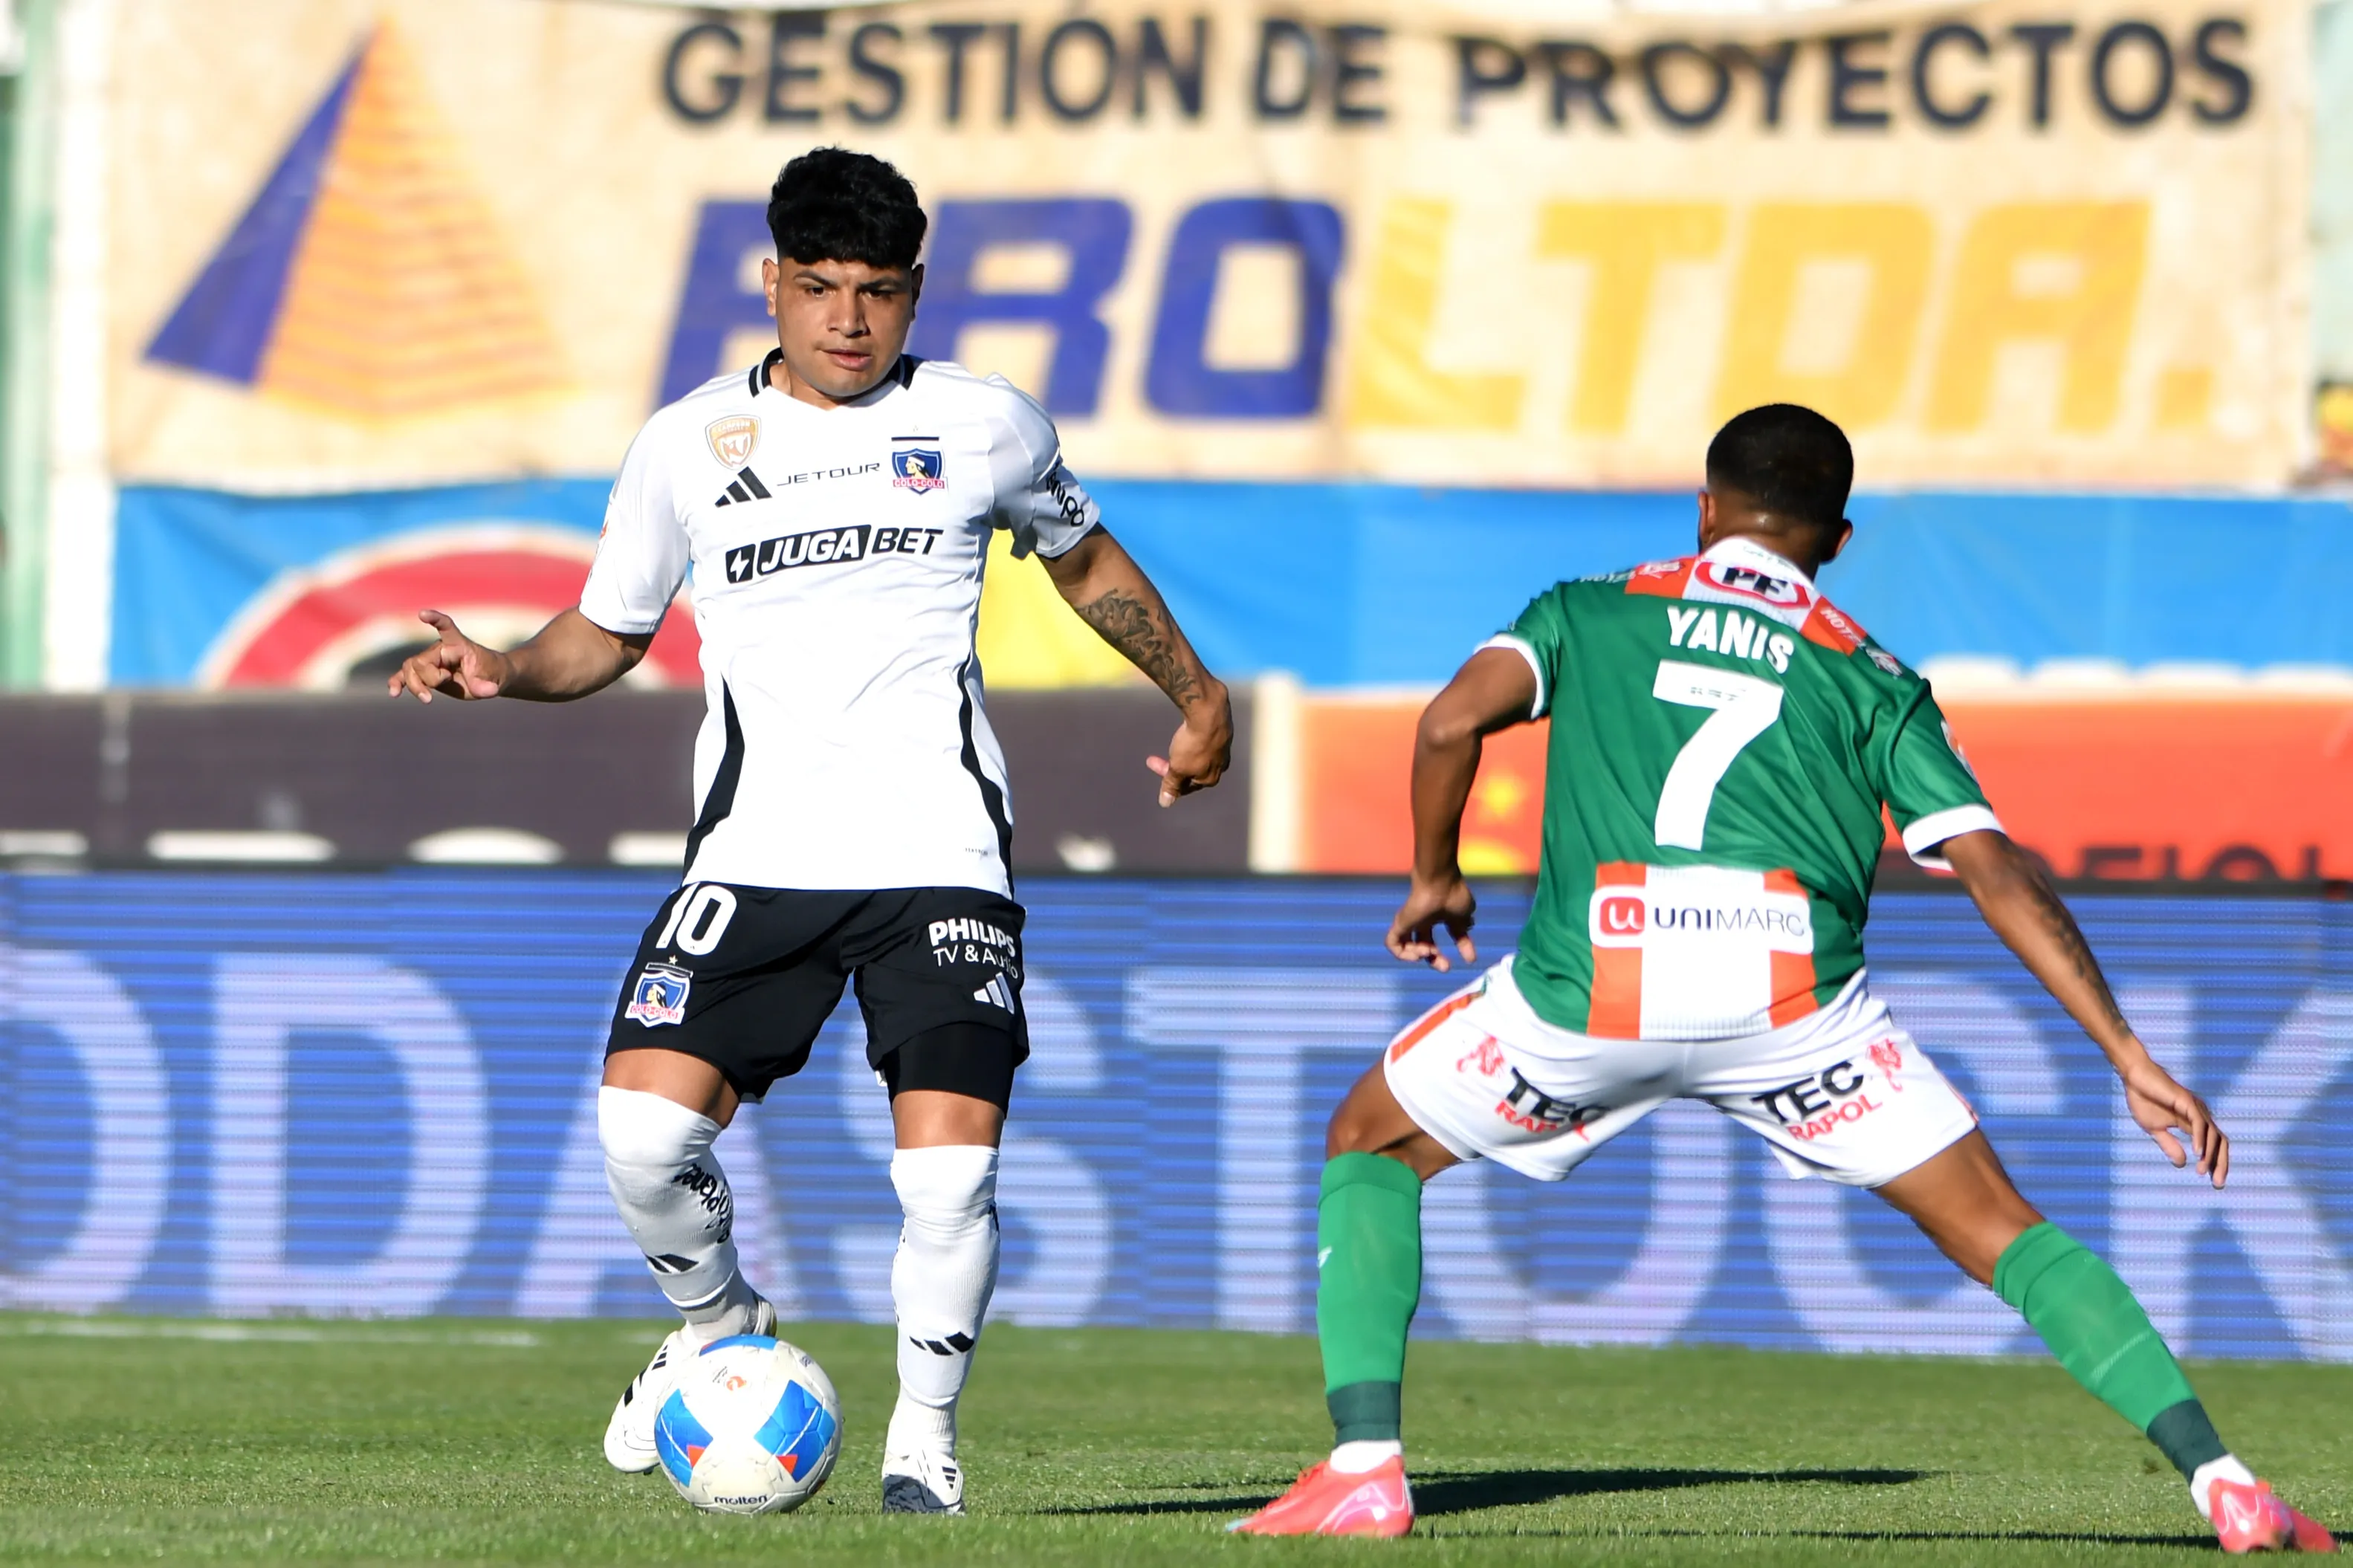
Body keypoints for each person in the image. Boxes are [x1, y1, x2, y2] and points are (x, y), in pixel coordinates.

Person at [1230, 404, 2333, 1553]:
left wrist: (1434, 875)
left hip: (1594, 986)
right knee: (2003, 1229)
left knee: (1370, 1138)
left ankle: (1364, 1468)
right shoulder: (1871, 676)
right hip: (1795, 1014)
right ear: (1838, 538)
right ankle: (2222, 1481)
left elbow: (1451, 719)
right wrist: (2124, 1051)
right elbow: (1991, 867)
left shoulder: (1586, 611)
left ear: (1703, 510)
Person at [390, 147, 1231, 1514]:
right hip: (755, 853)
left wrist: (1196, 695)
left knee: (949, 1170)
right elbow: (605, 631)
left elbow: (1085, 560)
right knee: (640, 1141)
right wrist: (500, 668)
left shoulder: (984, 425)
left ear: (916, 295)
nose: (849, 319)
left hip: (935, 854)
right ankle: (720, 1326)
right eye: (821, 287)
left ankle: (923, 1444)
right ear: (772, 282)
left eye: (880, 293)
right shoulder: (686, 444)